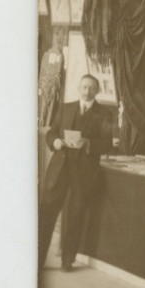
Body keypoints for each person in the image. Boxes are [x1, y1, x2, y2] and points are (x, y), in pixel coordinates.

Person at [39, 73, 112, 272]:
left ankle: (67, 261)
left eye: (91, 88)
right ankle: (36, 261)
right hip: (59, 171)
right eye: (84, 87)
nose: (87, 91)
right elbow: (51, 132)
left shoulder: (104, 114)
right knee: (46, 214)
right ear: (79, 88)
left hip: (84, 173)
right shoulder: (66, 108)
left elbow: (107, 144)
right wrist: (54, 141)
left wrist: (88, 143)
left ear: (97, 91)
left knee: (75, 216)